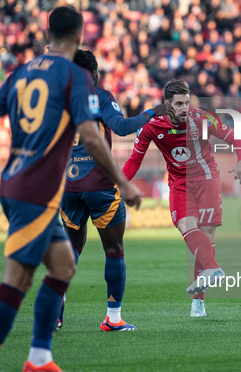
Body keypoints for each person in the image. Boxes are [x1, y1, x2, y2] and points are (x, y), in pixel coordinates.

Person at [0, 7, 141, 372]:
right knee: (17, 279)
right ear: (77, 37)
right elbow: (93, 137)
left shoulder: (22, 73)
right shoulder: (75, 76)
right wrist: (123, 182)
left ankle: (39, 359)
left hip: (20, 184)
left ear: (47, 36)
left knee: (63, 267)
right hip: (34, 192)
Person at [57, 49, 174, 332]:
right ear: (95, 74)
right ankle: (113, 318)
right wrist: (150, 112)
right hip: (100, 187)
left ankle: (54, 315)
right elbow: (121, 127)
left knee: (70, 250)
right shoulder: (100, 96)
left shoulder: (58, 100)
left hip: (68, 187)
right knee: (114, 249)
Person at [122, 79, 241, 317]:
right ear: (167, 104)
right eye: (179, 103)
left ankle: (198, 302)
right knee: (185, 225)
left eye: (186, 102)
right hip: (180, 183)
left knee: (207, 235)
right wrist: (118, 184)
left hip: (207, 178)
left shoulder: (202, 119)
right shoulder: (151, 125)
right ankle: (213, 269)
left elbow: (234, 136)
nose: (184, 108)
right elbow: (134, 160)